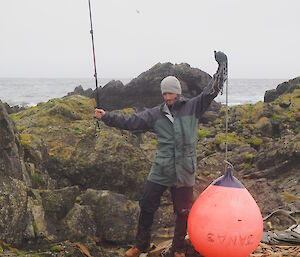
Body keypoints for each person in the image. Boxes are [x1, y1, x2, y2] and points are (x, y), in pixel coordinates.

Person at [95, 51, 228, 257]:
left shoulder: (192, 107)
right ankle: (142, 245)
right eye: (165, 94)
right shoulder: (155, 114)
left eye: (171, 94)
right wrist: (107, 117)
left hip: (184, 170)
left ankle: (177, 249)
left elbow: (211, 91)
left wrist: (222, 68)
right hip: (161, 168)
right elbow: (132, 122)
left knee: (183, 212)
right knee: (147, 204)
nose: (168, 98)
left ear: (178, 92)